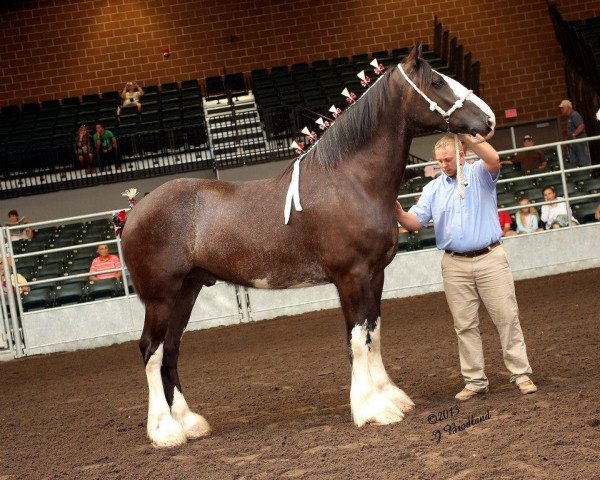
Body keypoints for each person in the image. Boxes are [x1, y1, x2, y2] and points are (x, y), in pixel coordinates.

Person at [395, 133, 537, 400]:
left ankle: (521, 374)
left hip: (489, 258)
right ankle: (475, 380)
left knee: (506, 317)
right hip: (454, 263)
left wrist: (466, 137)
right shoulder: (432, 189)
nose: (443, 165)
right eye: (439, 161)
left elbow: (494, 158)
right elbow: (415, 222)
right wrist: (400, 213)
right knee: (464, 325)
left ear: (461, 156)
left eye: (448, 159)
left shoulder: (479, 173)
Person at [559, 100, 591, 167]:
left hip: (579, 141)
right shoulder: (570, 117)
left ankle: (586, 173)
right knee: (574, 161)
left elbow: (581, 126)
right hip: (574, 142)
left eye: (562, 107)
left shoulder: (574, 115)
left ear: (568, 107)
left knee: (583, 160)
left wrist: (574, 134)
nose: (561, 109)